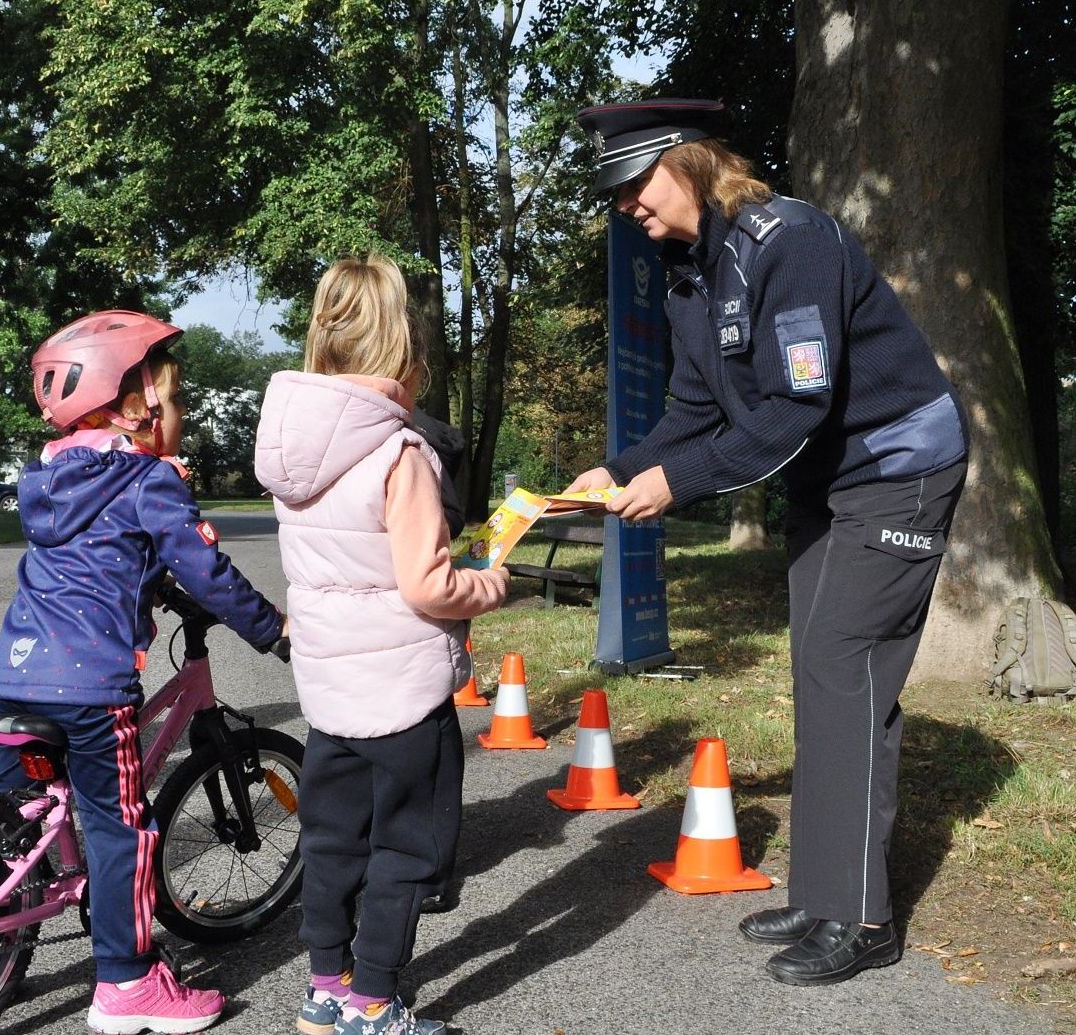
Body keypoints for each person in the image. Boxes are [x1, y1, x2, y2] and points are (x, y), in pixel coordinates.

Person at [569, 99, 968, 987]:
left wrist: (675, 484)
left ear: (691, 161)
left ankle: (863, 915)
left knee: (844, 657)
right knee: (821, 665)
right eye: (616, 194)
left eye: (635, 183)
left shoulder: (792, 241)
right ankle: (826, 888)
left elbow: (796, 404)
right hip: (826, 477)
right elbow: (696, 411)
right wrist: (618, 469)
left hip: (898, 462)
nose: (626, 204)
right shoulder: (686, 275)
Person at [0, 310, 287, 1034]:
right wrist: (274, 629)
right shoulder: (146, 478)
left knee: (12, 830)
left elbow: (101, 557)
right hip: (89, 691)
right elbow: (206, 569)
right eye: (178, 398)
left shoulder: (54, 478)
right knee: (124, 827)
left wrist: (149, 581)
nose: (182, 413)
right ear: (136, 409)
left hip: (11, 674)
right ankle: (126, 984)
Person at [255, 254, 509, 1034]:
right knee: (408, 848)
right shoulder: (400, 454)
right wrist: (490, 583)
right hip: (403, 689)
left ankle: (324, 988)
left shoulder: (292, 453)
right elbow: (427, 585)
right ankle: (373, 1001)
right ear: (403, 348)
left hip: (330, 691)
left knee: (332, 840)